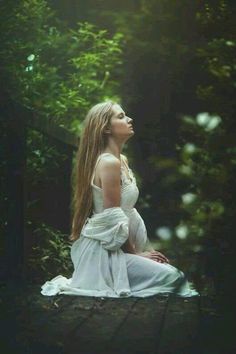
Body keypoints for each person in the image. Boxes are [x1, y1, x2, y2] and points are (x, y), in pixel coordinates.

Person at [41, 101, 199, 297]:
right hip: (105, 254)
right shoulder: (108, 163)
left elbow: (126, 211)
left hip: (121, 248)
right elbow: (113, 217)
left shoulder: (121, 160)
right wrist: (135, 254)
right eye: (121, 116)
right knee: (174, 278)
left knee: (173, 276)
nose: (129, 119)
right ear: (106, 128)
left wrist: (142, 249)